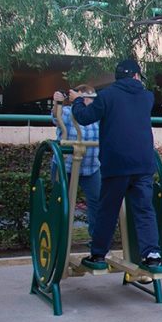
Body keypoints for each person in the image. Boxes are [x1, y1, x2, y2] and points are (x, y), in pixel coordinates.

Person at [71, 59, 162, 273]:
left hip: (117, 164)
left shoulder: (107, 96)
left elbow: (85, 118)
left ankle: (98, 254)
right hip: (143, 164)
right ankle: (152, 254)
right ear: (135, 76)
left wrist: (78, 101)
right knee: (144, 209)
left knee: (108, 210)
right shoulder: (147, 97)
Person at [51, 85, 101, 244]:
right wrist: (57, 103)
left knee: (98, 202)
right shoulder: (67, 112)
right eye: (86, 97)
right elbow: (55, 117)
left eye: (91, 98)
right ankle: (59, 239)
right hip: (66, 166)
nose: (89, 101)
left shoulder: (96, 116)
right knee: (62, 202)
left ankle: (97, 240)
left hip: (91, 167)